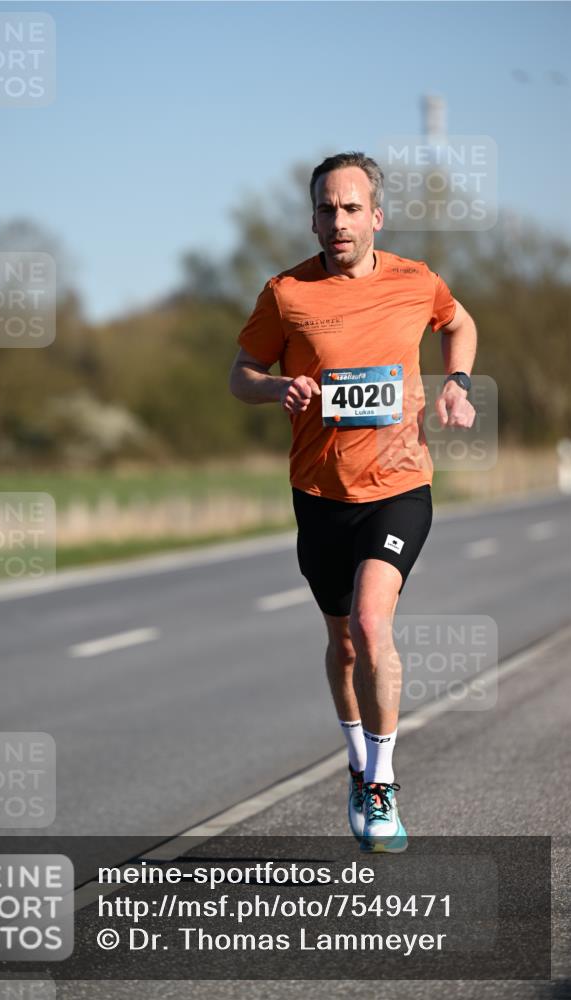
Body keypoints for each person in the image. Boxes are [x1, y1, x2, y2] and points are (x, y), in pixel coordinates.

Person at [229, 152, 477, 853]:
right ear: (312, 219)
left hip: (399, 486)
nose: (336, 221)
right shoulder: (286, 294)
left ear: (375, 215)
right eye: (324, 210)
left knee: (372, 625)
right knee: (341, 643)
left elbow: (458, 322)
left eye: (349, 208)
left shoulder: (413, 280)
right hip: (318, 493)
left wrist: (456, 381)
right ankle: (356, 761)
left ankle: (382, 782)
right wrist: (275, 388)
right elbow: (240, 373)